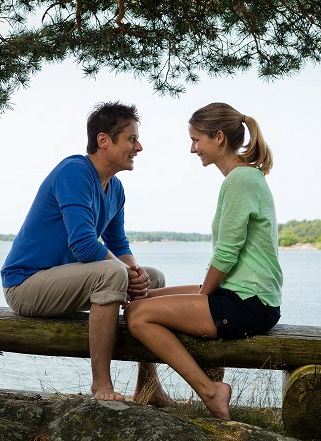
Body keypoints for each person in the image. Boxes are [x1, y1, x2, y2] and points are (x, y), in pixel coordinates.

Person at [1, 101, 172, 404]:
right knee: (112, 273)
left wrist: (136, 273)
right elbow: (83, 245)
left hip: (67, 282)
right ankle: (101, 385)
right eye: (132, 139)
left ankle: (149, 389)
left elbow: (118, 244)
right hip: (25, 285)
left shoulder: (115, 188)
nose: (139, 147)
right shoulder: (74, 172)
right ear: (104, 140)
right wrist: (121, 272)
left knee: (153, 278)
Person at [124, 102, 283, 420]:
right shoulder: (242, 178)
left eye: (197, 140)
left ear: (219, 137)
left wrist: (201, 298)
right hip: (238, 293)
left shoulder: (240, 180)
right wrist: (201, 298)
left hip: (249, 302)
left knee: (138, 316)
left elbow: (227, 254)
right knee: (140, 298)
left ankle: (211, 391)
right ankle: (150, 387)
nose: (193, 148)